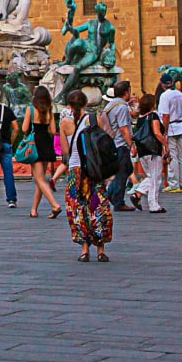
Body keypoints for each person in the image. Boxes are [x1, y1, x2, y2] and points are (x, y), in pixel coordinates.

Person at [63, 91, 112, 263]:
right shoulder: (94, 119)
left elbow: (65, 152)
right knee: (98, 206)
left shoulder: (64, 123)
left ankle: (84, 250)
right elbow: (104, 145)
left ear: (69, 105)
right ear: (86, 102)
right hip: (93, 170)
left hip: (75, 172)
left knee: (78, 209)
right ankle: (100, 249)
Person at [22, 85, 63, 218]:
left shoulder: (30, 109)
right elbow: (52, 130)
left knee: (39, 179)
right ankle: (34, 209)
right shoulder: (49, 110)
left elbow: (24, 128)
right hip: (46, 143)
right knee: (40, 179)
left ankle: (55, 205)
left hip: (35, 144)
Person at [128, 92, 167, 214]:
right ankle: (153, 204)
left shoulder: (140, 118)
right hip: (153, 149)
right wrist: (166, 144)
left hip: (142, 150)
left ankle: (138, 194)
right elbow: (156, 132)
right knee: (155, 178)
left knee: (151, 176)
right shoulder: (153, 116)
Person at [99, 82, 135, 209]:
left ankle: (112, 194)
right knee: (123, 171)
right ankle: (115, 198)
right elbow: (124, 128)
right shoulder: (122, 107)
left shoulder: (111, 104)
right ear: (126, 92)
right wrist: (131, 145)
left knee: (127, 169)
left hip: (112, 143)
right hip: (120, 144)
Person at [157, 81, 182, 193]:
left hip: (171, 127)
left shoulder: (165, 96)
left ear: (162, 85)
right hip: (180, 125)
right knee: (180, 156)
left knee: (172, 156)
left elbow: (165, 116)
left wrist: (164, 132)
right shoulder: (180, 94)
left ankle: (173, 184)